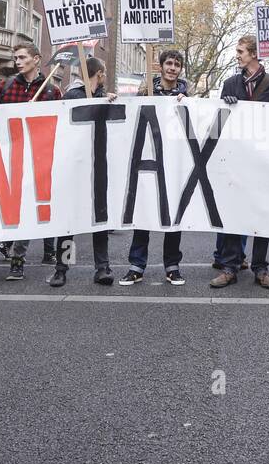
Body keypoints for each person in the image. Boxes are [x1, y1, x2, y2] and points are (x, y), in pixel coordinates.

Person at [0, 42, 61, 287]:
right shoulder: (5, 86)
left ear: (36, 59)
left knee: (24, 210)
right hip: (2, 158)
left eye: (22, 57)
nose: (17, 61)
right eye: (15, 57)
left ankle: (18, 259)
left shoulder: (51, 92)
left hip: (32, 160)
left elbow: (62, 122)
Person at [211, 35, 269, 290]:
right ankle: (230, 267)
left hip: (265, 161)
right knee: (234, 213)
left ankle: (261, 268)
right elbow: (220, 122)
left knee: (262, 214)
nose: (237, 55)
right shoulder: (230, 83)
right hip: (238, 159)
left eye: (241, 51)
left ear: (254, 54)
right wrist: (226, 105)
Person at [120, 49, 190, 288]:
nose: (172, 68)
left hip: (174, 162)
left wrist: (187, 104)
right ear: (161, 66)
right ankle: (136, 266)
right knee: (144, 211)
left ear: (180, 69)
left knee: (172, 214)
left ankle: (172, 267)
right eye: (169, 63)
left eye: (177, 65)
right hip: (147, 160)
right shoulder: (144, 90)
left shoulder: (187, 94)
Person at [49, 57, 115, 288]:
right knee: (70, 221)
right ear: (99, 73)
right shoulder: (73, 96)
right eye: (103, 74)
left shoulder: (101, 96)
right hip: (75, 166)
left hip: (97, 165)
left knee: (100, 218)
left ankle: (102, 267)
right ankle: (62, 268)